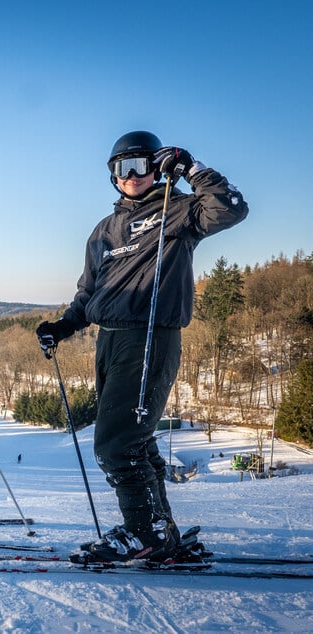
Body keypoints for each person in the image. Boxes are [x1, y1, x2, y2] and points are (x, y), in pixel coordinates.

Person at [36, 131, 248, 562]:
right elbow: (88, 292)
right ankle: (158, 530)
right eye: (121, 168)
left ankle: (143, 532)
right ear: (112, 176)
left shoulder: (177, 209)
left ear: (157, 168)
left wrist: (191, 168)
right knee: (138, 440)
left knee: (115, 446)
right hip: (109, 341)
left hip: (150, 336)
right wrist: (63, 326)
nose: (131, 176)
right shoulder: (103, 230)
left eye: (140, 165)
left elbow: (231, 208)